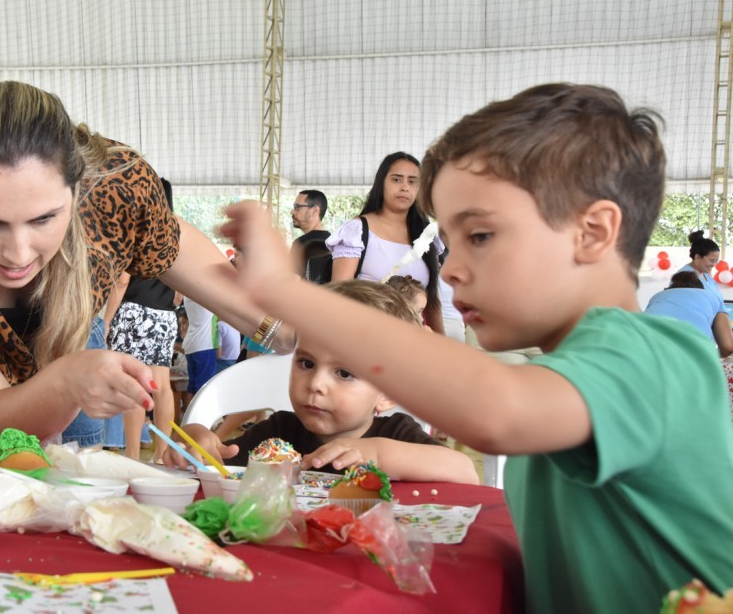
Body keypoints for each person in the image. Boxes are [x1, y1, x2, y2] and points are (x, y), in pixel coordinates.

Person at [220, 83, 733, 614]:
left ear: (593, 231)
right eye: (450, 242)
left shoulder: (653, 355)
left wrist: (286, 292)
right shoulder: (565, 375)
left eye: (480, 236)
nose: (454, 269)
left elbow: (498, 409)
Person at [0, 81, 292, 451]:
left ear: (79, 186)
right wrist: (65, 382)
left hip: (69, 344)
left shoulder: (119, 188)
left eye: (44, 218)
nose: (18, 254)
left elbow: (172, 245)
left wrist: (287, 326)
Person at [164, 280, 478, 483]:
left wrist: (378, 454)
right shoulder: (278, 434)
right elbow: (223, 459)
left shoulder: (395, 434)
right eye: (306, 363)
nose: (315, 383)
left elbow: (464, 472)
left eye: (344, 373)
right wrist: (195, 438)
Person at [101, 178, 180, 460]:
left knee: (135, 384)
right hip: (165, 315)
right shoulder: (176, 232)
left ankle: (133, 455)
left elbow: (122, 280)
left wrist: (107, 319)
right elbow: (181, 289)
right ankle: (161, 454)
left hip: (134, 310)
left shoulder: (137, 228)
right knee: (162, 385)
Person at [326, 152, 444, 332]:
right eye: (397, 180)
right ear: (382, 183)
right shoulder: (357, 231)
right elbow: (339, 296)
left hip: (414, 343)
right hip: (365, 337)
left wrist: (442, 346)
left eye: (412, 181)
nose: (405, 187)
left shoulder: (428, 237)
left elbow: (432, 303)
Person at [644, 270, 733, 358]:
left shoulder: (657, 297)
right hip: (693, 356)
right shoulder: (713, 297)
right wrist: (711, 358)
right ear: (702, 288)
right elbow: (727, 347)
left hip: (648, 352)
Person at [677, 231, 727, 309]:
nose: (714, 265)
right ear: (697, 257)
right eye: (712, 260)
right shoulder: (684, 277)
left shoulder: (705, 274)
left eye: (716, 261)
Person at [289, 189, 330, 276]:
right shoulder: (333, 242)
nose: (292, 212)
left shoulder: (300, 244)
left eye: (297, 207)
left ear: (315, 211)